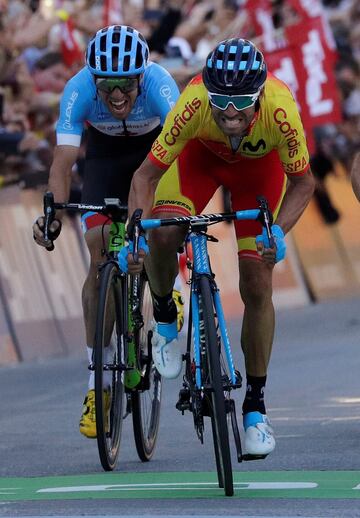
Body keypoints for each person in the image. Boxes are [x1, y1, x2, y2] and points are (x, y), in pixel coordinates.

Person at [124, 38, 315, 457]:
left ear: (260, 94)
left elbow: (304, 183)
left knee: (257, 282)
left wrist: (277, 232)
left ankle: (255, 409)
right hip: (199, 160)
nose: (230, 112)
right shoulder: (193, 104)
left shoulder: (281, 111)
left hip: (257, 174)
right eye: (221, 101)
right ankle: (166, 314)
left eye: (242, 101)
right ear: (206, 93)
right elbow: (144, 177)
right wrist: (134, 232)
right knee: (164, 232)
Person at [32, 25, 182, 439]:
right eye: (106, 85)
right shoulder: (78, 89)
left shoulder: (160, 84)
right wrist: (54, 213)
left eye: (125, 85)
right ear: (92, 80)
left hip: (155, 153)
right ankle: (97, 389)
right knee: (99, 255)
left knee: (151, 233)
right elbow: (63, 162)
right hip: (104, 158)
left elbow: (182, 153)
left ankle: (165, 286)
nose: (116, 95)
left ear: (141, 77)